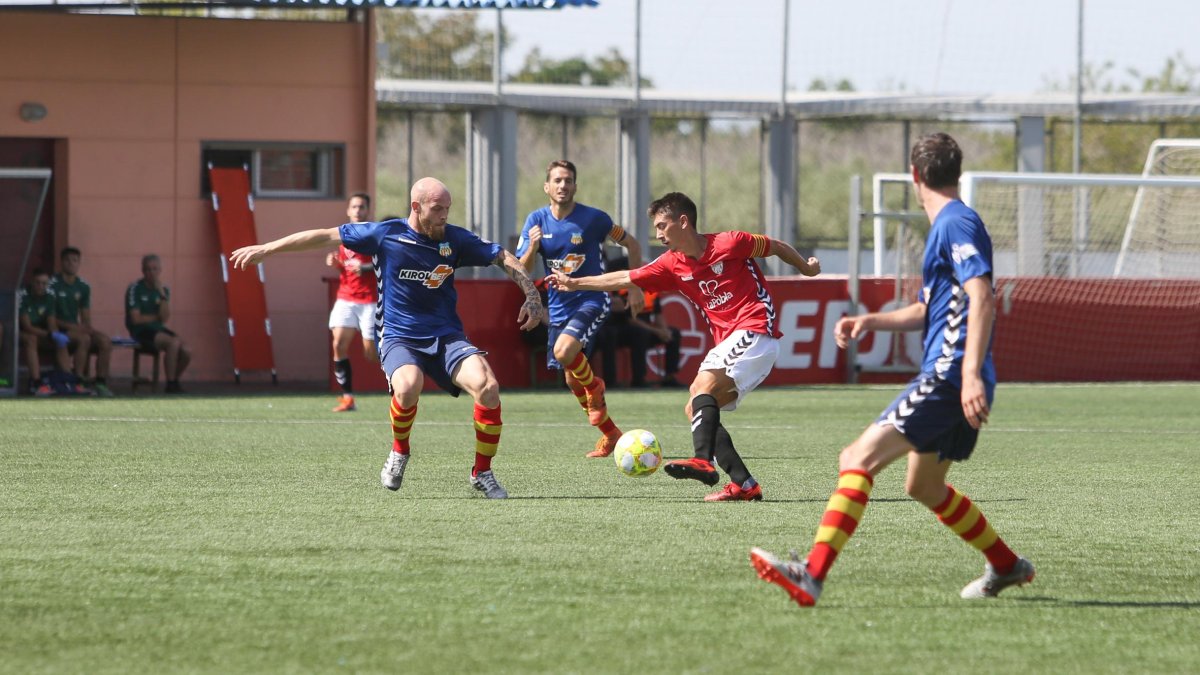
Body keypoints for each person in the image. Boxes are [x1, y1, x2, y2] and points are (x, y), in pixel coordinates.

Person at [750, 132, 1035, 606]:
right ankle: (1006, 566)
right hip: (956, 373)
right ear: (955, 173)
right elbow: (929, 309)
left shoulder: (954, 224)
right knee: (923, 485)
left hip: (948, 375)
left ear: (915, 175)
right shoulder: (949, 225)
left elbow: (982, 296)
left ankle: (811, 574)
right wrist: (871, 321)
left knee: (856, 459)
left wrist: (966, 375)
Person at [230, 177, 545, 499]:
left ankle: (482, 472)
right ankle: (399, 451)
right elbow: (325, 235)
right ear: (416, 207)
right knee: (408, 387)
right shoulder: (385, 234)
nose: (444, 216)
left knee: (488, 388)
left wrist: (532, 295)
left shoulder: (454, 239)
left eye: (447, 209)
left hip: (446, 336)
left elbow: (502, 256)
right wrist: (268, 249)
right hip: (399, 336)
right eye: (437, 209)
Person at [549, 191, 821, 501]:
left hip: (756, 329)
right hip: (736, 341)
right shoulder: (670, 264)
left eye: (662, 226)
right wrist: (575, 283)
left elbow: (776, 246)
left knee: (702, 386)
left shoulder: (730, 242)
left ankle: (702, 461)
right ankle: (744, 484)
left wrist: (806, 268)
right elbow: (626, 276)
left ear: (683, 221)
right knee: (696, 407)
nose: (658, 234)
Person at [516, 159, 644, 458]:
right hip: (558, 305)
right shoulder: (535, 221)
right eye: (557, 181)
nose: (563, 186)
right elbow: (521, 269)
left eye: (568, 180)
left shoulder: (595, 219)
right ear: (547, 186)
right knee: (572, 378)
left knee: (564, 353)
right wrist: (533, 249)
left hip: (591, 298)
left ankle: (596, 388)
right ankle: (611, 434)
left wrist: (635, 286)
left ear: (575, 185)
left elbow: (633, 245)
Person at [593, 258, 683, 389]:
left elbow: (658, 314)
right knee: (640, 334)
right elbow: (631, 319)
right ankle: (638, 380)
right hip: (625, 328)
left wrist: (663, 330)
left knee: (673, 333)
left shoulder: (650, 288)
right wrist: (656, 331)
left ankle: (670, 377)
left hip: (646, 328)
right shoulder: (621, 289)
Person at [326, 192, 379, 412]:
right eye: (354, 207)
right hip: (346, 298)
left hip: (369, 300)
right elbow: (347, 267)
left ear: (368, 210)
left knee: (371, 353)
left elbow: (385, 265)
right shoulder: (343, 235)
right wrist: (336, 263)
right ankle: (348, 397)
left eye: (362, 207)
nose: (358, 210)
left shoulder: (375, 235)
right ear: (348, 211)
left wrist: (365, 267)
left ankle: (401, 383)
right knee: (338, 344)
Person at [51, 246, 114, 397]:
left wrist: (87, 328)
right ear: (62, 262)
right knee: (83, 338)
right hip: (60, 328)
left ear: (79, 263)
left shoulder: (83, 286)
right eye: (68, 260)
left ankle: (100, 382)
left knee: (105, 341)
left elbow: (85, 316)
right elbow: (50, 317)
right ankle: (77, 380)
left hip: (77, 328)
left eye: (75, 260)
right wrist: (74, 327)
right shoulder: (52, 284)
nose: (71, 264)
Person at [125, 254, 192, 393]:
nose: (151, 273)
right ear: (143, 271)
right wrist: (156, 317)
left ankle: (174, 380)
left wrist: (161, 293)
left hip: (158, 329)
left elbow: (165, 317)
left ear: (160, 270)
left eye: (155, 269)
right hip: (140, 331)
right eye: (148, 269)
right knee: (173, 343)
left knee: (186, 350)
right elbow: (136, 319)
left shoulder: (164, 289)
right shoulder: (135, 288)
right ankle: (171, 384)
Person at [18, 269, 76, 396]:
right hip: (20, 332)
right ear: (32, 282)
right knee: (31, 338)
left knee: (60, 340)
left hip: (41, 332)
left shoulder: (49, 297)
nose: (41, 286)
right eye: (38, 283)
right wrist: (50, 335)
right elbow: (27, 326)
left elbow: (51, 322)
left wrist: (55, 334)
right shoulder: (23, 296)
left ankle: (69, 380)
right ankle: (36, 383)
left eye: (44, 283)